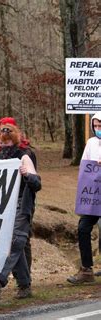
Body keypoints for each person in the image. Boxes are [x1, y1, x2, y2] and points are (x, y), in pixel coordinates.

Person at [0, 117, 41, 303]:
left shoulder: (24, 155)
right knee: (14, 244)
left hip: (22, 202)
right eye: (1, 140)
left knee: (17, 240)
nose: (4, 144)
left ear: (14, 138)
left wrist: (27, 174)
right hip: (2, 204)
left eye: (8, 140)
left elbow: (37, 183)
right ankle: (24, 284)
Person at [67, 111, 101, 284]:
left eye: (100, 126)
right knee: (83, 227)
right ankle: (86, 269)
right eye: (95, 126)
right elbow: (84, 167)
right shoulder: (91, 143)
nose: (97, 129)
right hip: (95, 196)